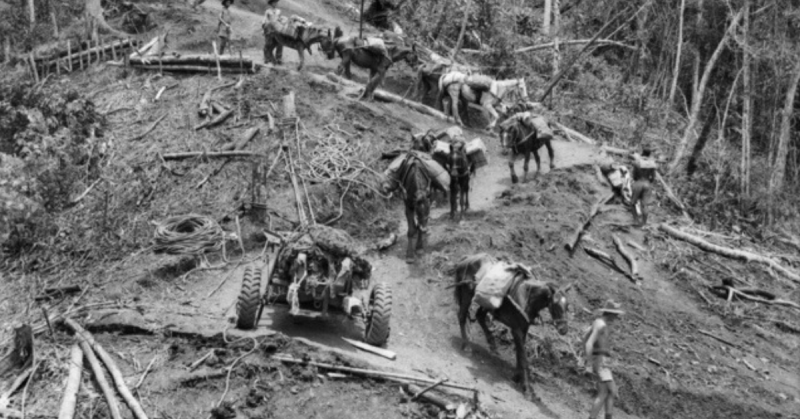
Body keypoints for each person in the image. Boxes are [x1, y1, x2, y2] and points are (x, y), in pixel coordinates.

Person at [584, 300, 625, 419]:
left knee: (611, 391)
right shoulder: (601, 325)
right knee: (604, 392)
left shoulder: (600, 323)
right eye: (615, 314)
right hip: (599, 361)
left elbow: (585, 336)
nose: (617, 317)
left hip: (603, 360)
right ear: (610, 313)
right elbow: (589, 342)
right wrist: (588, 362)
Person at [630, 146, 657, 226]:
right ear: (650, 154)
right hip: (647, 183)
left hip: (638, 183)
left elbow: (634, 175)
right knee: (645, 205)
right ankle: (644, 223)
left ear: (642, 152)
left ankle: (635, 220)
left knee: (633, 203)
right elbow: (653, 177)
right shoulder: (652, 163)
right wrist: (649, 181)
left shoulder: (637, 162)